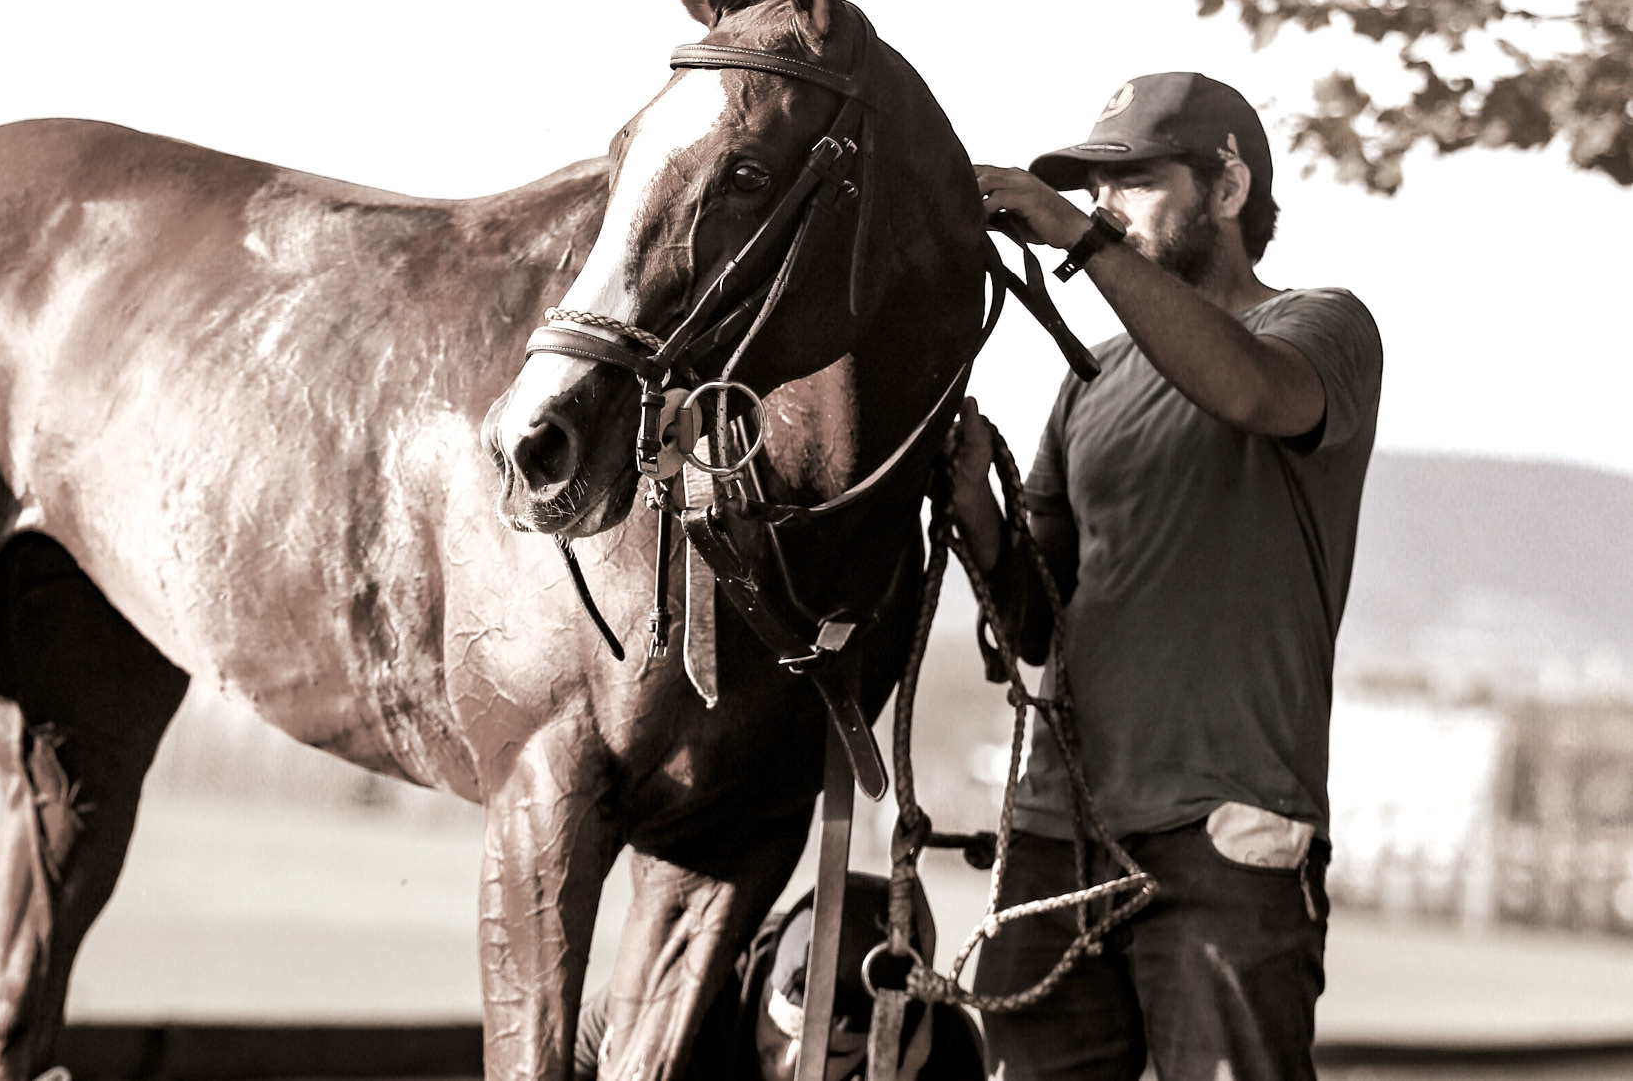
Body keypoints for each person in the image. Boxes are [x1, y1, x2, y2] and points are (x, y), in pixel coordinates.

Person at [958, 72, 1383, 1081]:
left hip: (1226, 832)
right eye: (1094, 190)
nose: (1106, 207)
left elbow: (1245, 390)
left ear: (1227, 185)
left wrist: (1074, 234)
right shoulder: (1087, 380)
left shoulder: (1322, 325)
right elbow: (1032, 619)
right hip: (1057, 829)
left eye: (1133, 182)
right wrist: (971, 498)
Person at [574, 872, 986, 1081]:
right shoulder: (684, 992)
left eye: (834, 1054)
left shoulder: (941, 1053)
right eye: (781, 1029)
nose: (791, 1066)